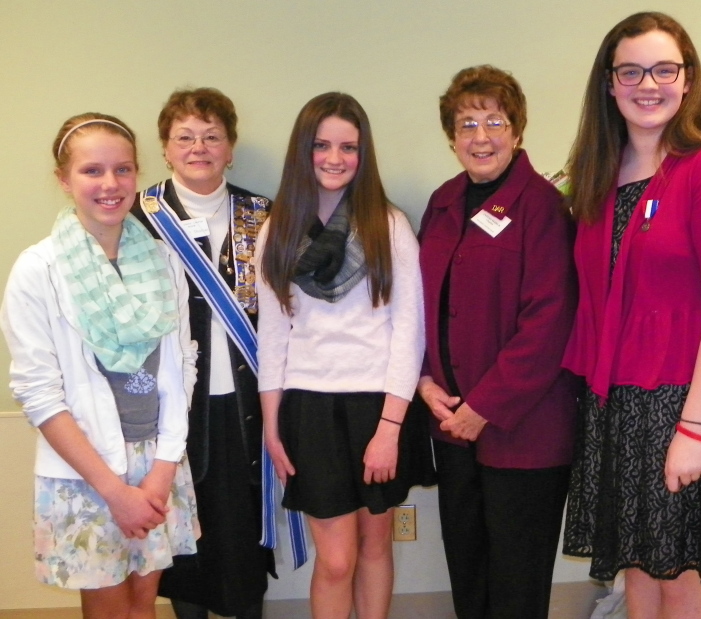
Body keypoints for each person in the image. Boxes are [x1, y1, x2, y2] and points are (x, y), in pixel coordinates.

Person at [561, 12, 701, 618]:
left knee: (679, 575)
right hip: (619, 400)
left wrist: (694, 428)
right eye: (631, 71)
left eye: (664, 69)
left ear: (688, 80)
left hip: (683, 399)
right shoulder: (599, 174)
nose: (648, 84)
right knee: (637, 568)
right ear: (609, 84)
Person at [0, 113, 199, 618]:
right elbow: (39, 393)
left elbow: (181, 368)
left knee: (144, 604)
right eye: (92, 171)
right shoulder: (38, 270)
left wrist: (159, 474)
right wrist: (115, 491)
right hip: (86, 472)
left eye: (123, 169)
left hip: (158, 462)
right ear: (64, 180)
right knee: (109, 609)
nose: (110, 184)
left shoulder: (163, 260)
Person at [418, 65, 578, 619]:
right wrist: (423, 380)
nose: (480, 136)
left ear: (517, 131)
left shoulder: (542, 207)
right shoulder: (441, 204)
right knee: (468, 567)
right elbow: (420, 307)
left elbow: (550, 321)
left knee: (517, 580)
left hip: (524, 431)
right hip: (452, 428)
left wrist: (484, 407)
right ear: (451, 136)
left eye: (494, 121)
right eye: (467, 124)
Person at [257, 92, 424, 619]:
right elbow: (273, 336)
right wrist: (272, 428)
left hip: (377, 407)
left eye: (348, 147)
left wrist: (390, 428)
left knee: (376, 548)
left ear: (363, 153)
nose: (335, 158)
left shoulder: (388, 225)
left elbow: (408, 331)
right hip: (308, 410)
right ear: (302, 151)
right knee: (335, 561)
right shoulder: (277, 229)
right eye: (322, 145)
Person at [131, 88, 274, 619]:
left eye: (212, 136)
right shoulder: (138, 216)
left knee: (240, 537)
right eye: (185, 137)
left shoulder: (261, 214)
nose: (199, 147)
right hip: (166, 408)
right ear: (166, 149)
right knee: (183, 536)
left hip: (244, 403)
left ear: (231, 147)